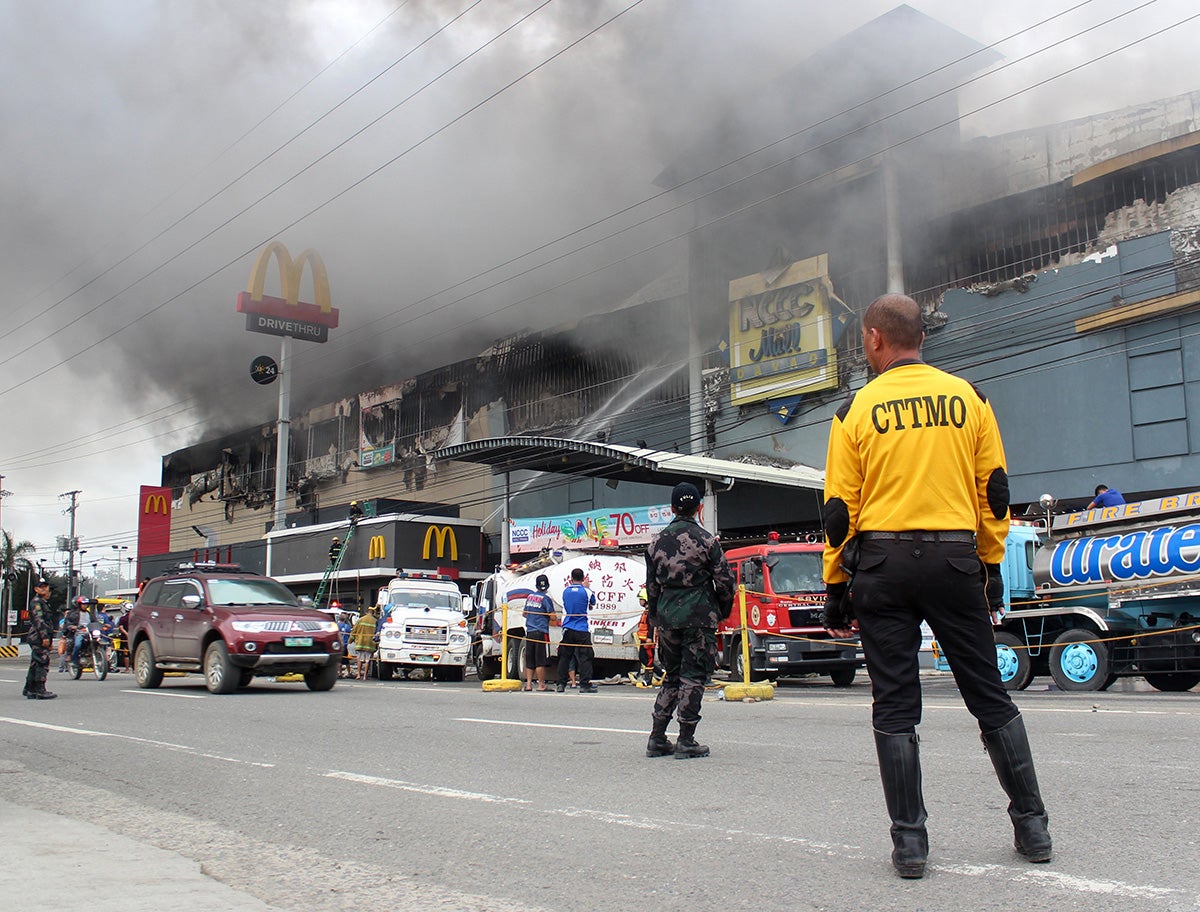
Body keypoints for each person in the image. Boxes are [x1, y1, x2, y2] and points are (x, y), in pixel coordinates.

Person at [821, 293, 1052, 879]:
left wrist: (835, 583)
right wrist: (991, 564)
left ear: (874, 339)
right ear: (922, 336)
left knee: (895, 707)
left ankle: (910, 844)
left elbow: (838, 512)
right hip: (954, 562)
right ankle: (1032, 826)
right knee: (988, 695)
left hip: (882, 568)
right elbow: (994, 489)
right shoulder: (970, 398)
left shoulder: (854, 411)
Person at [644, 481, 735, 760]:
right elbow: (725, 583)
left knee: (671, 677)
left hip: (668, 618)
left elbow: (651, 588)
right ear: (699, 508)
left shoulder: (655, 544)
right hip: (699, 617)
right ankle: (686, 739)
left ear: (672, 508)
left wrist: (657, 616)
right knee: (693, 677)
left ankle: (657, 738)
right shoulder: (707, 541)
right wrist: (721, 610)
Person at [556, 568, 596, 693]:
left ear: (571, 578)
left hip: (568, 627)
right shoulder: (586, 591)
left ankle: (561, 684)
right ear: (583, 578)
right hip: (582, 628)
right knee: (585, 656)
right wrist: (587, 587)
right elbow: (593, 603)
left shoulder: (566, 591)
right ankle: (584, 684)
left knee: (565, 657)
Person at [522, 574, 559, 692]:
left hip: (530, 632)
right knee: (540, 660)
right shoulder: (546, 599)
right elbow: (553, 617)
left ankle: (528, 685)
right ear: (547, 586)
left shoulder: (530, 597)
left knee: (530, 660)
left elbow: (524, 613)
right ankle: (541, 684)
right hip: (541, 632)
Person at [23, 578, 58, 700]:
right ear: (36, 589)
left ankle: (29, 688)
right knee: (42, 662)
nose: (45, 589)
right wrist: (45, 637)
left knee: (35, 663)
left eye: (46, 586)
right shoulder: (36, 602)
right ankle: (40, 689)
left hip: (39, 636)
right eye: (41, 587)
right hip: (38, 637)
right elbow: (39, 621)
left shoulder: (43, 602)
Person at [635, 586, 657, 686]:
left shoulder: (650, 612)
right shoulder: (646, 611)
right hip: (643, 638)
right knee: (643, 657)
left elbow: (652, 625)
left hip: (648, 639)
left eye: (641, 599)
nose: (640, 602)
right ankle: (660, 673)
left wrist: (650, 638)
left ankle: (648, 680)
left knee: (648, 659)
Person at [350, 608, 377, 680]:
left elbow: (354, 631)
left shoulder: (360, 620)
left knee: (359, 659)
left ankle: (358, 675)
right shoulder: (375, 621)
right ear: (373, 613)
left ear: (366, 612)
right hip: (370, 644)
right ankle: (365, 676)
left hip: (360, 642)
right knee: (367, 660)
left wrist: (350, 640)